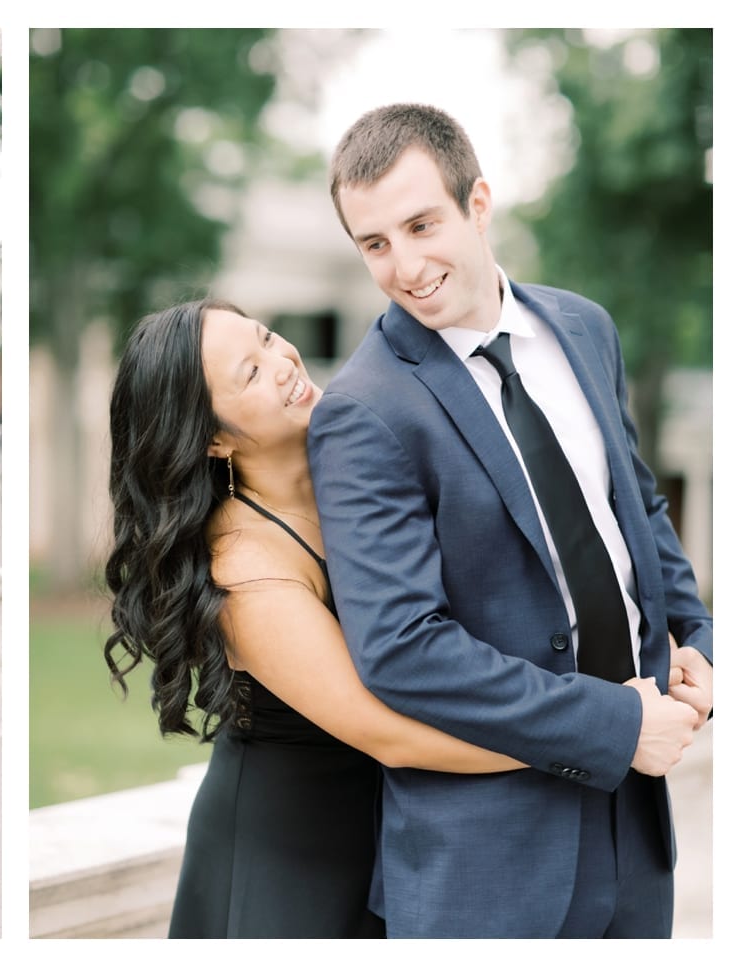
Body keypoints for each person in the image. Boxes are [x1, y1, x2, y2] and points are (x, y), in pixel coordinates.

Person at [309, 102, 713, 937]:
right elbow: (402, 647)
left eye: (422, 225)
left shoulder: (583, 328)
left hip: (635, 836)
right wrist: (616, 723)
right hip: (485, 866)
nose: (406, 266)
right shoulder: (363, 410)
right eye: (375, 244)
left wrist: (698, 635)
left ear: (479, 203)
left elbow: (633, 504)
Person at [104, 298, 544, 938]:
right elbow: (389, 732)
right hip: (290, 858)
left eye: (267, 338)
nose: (282, 363)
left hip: (388, 831)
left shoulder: (355, 469)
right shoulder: (246, 568)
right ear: (212, 438)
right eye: (249, 374)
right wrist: (576, 739)